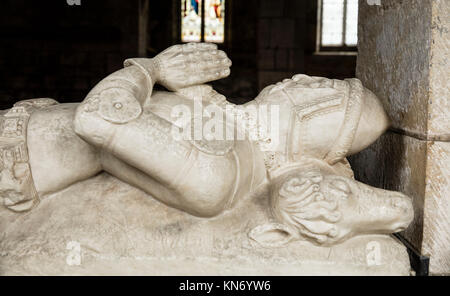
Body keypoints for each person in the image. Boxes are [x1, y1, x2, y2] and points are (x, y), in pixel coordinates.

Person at [0, 43, 413, 245]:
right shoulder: (223, 123)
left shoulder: (222, 172)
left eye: (321, 86)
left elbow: (98, 118)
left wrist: (152, 69)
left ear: (316, 123)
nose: (302, 79)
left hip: (15, 161)